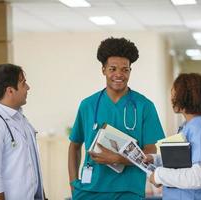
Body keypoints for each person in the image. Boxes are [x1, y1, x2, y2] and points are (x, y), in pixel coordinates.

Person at [68, 37, 165, 200]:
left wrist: (118, 159)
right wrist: (73, 185)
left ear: (130, 71)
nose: (119, 74)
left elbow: (151, 151)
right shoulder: (88, 105)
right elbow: (74, 146)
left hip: (129, 191)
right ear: (103, 70)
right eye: (112, 69)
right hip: (89, 191)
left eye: (125, 69)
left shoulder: (144, 106)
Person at [0, 64, 45, 200]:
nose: (28, 88)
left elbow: (32, 166)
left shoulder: (21, 119)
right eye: (23, 83)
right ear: (10, 91)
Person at [146, 73, 201, 200]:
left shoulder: (199, 128)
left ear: (186, 97)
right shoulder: (189, 125)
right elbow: (185, 160)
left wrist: (159, 175)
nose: (171, 99)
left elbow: (199, 177)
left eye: (174, 94)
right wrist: (155, 160)